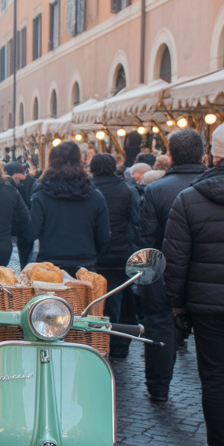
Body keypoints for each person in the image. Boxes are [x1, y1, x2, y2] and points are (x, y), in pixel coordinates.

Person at [162, 119, 224, 446]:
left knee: (216, 381)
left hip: (209, 305)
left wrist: (178, 307)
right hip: (212, 302)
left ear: (213, 156)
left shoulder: (189, 199)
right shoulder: (187, 197)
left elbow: (175, 262)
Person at [139, 128, 209, 402]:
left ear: (169, 156)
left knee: (159, 325)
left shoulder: (155, 190)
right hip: (207, 273)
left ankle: (158, 387)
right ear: (203, 155)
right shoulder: (211, 185)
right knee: (215, 332)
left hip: (163, 271)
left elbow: (146, 240)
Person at [26, 141, 110, 272]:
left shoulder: (42, 195)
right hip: (85, 262)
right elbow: (104, 236)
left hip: (51, 264)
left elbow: (32, 232)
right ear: (79, 161)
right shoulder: (95, 195)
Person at [88, 153, 142, 358]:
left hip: (95, 254)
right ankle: (118, 343)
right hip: (121, 254)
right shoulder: (127, 190)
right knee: (119, 300)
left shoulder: (88, 189)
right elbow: (136, 223)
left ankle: (95, 340)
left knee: (93, 299)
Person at [6, 161, 36, 265]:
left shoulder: (12, 185)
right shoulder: (32, 182)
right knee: (25, 256)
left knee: (25, 256)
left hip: (22, 224)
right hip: (26, 223)